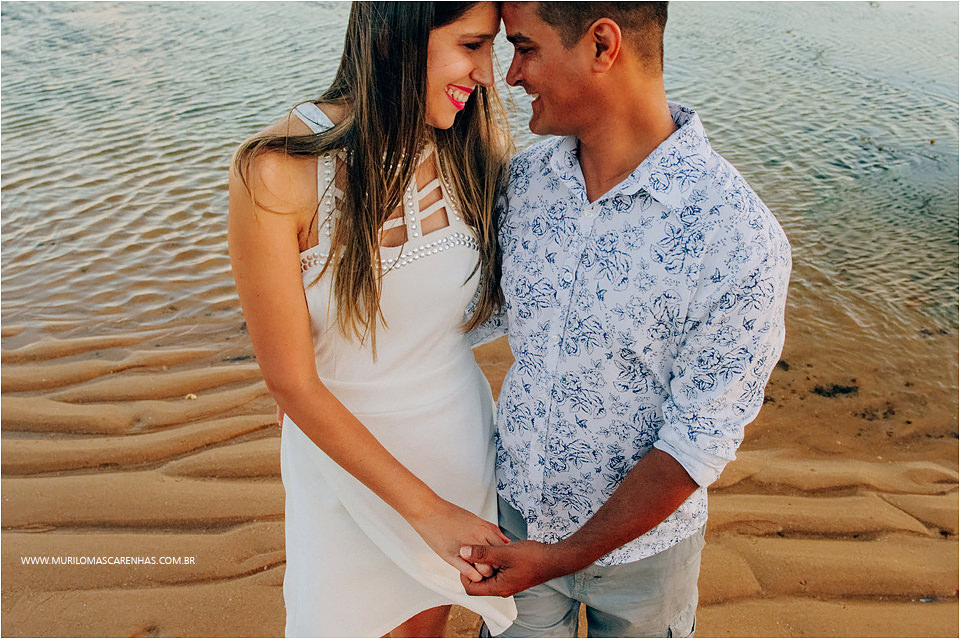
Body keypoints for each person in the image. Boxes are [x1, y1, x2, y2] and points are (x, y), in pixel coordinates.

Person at [456, 2, 792, 637]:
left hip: (647, 562)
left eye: (524, 48)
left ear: (602, 46)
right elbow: (459, 318)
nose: (510, 75)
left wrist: (561, 557)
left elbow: (699, 438)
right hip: (512, 520)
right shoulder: (522, 185)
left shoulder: (738, 238)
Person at [227, 3, 518, 636]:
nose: (487, 74)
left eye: (491, 48)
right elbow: (291, 381)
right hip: (343, 467)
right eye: (470, 45)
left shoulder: (475, 149)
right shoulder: (277, 171)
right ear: (395, 36)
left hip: (455, 446)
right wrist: (429, 513)